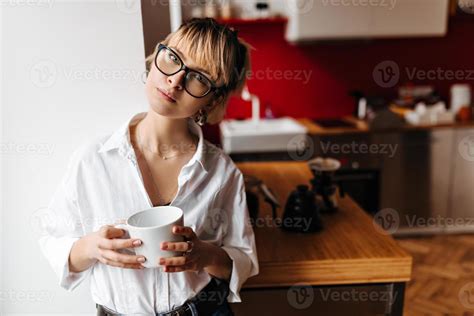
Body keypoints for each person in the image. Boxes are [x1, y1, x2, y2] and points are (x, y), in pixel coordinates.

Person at [38, 17, 259, 316]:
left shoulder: (222, 172)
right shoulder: (92, 160)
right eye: (173, 58)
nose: (176, 80)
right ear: (157, 56)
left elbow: (242, 260)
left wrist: (205, 255)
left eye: (200, 77)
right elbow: (53, 240)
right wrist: (91, 248)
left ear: (211, 99)